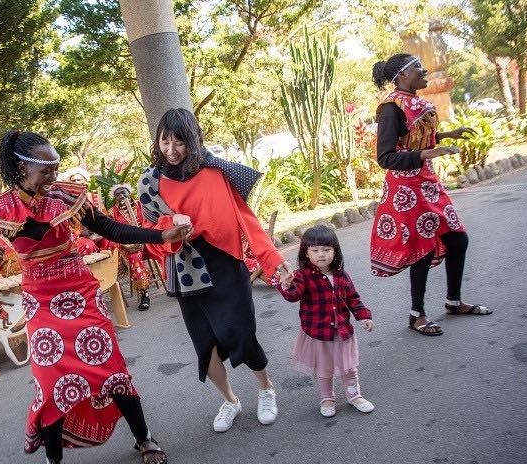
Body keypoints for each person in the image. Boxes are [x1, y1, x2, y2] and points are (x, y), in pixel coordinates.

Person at [0, 130, 191, 464]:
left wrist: (159, 236)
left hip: (81, 295)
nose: (54, 177)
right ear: (22, 169)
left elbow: (111, 228)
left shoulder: (68, 196)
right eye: (46, 171)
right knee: (50, 382)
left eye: (56, 168)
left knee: (111, 369)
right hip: (41, 303)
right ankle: (54, 461)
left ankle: (144, 438)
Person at [137, 108, 294, 433]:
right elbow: (150, 237)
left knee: (241, 333)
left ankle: (266, 388)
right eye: (165, 142)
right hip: (184, 270)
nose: (171, 150)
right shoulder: (150, 182)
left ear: (193, 139)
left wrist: (273, 260)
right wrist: (170, 225)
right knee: (204, 344)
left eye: (179, 142)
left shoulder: (216, 172)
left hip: (225, 264)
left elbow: (246, 219)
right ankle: (230, 401)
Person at [370, 54, 492, 337]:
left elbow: (416, 138)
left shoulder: (414, 102)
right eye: (417, 67)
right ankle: (417, 315)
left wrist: (447, 135)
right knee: (422, 250)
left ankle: (453, 302)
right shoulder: (391, 108)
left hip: (427, 183)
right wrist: (427, 154)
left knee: (458, 239)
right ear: (402, 75)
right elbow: (385, 157)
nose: (423, 70)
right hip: (406, 189)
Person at [275, 226, 375, 417]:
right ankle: (327, 398)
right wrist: (286, 284)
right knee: (324, 369)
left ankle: (354, 396)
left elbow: (353, 298)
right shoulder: (302, 276)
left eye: (327, 249)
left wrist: (364, 316)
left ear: (335, 251)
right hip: (319, 334)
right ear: (306, 252)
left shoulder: (341, 275)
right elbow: (293, 296)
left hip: (342, 332)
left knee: (349, 367)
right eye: (315, 250)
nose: (321, 254)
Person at [109, 184, 162, 311]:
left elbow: (152, 221)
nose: (121, 196)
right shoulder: (112, 213)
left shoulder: (141, 205)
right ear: (115, 198)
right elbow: (112, 233)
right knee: (135, 258)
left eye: (123, 192)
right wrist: (126, 244)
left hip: (148, 240)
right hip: (130, 246)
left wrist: (145, 235)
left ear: (129, 193)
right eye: (118, 194)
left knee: (165, 247)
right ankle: (144, 294)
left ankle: (174, 282)